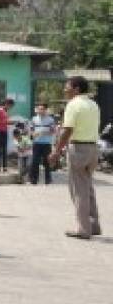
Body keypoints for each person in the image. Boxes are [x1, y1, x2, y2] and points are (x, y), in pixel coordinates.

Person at [51, 75, 101, 240]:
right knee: (88, 188)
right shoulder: (93, 104)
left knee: (79, 190)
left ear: (76, 89)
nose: (65, 89)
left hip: (78, 148)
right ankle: (94, 225)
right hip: (93, 148)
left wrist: (56, 151)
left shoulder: (73, 104)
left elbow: (67, 131)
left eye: (67, 86)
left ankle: (83, 229)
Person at [29, 103, 57, 185]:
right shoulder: (34, 119)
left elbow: (53, 131)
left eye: (42, 109)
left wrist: (43, 131)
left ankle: (48, 179)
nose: (40, 110)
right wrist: (32, 133)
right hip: (36, 143)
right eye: (39, 109)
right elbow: (31, 129)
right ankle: (34, 179)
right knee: (35, 161)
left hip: (46, 143)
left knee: (47, 162)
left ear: (45, 110)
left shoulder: (50, 120)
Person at [0, 97, 13, 172]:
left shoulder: (5, 111)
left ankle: (4, 166)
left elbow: (5, 120)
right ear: (7, 104)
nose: (10, 107)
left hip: (4, 131)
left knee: (4, 149)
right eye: (10, 105)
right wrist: (6, 122)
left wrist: (9, 122)